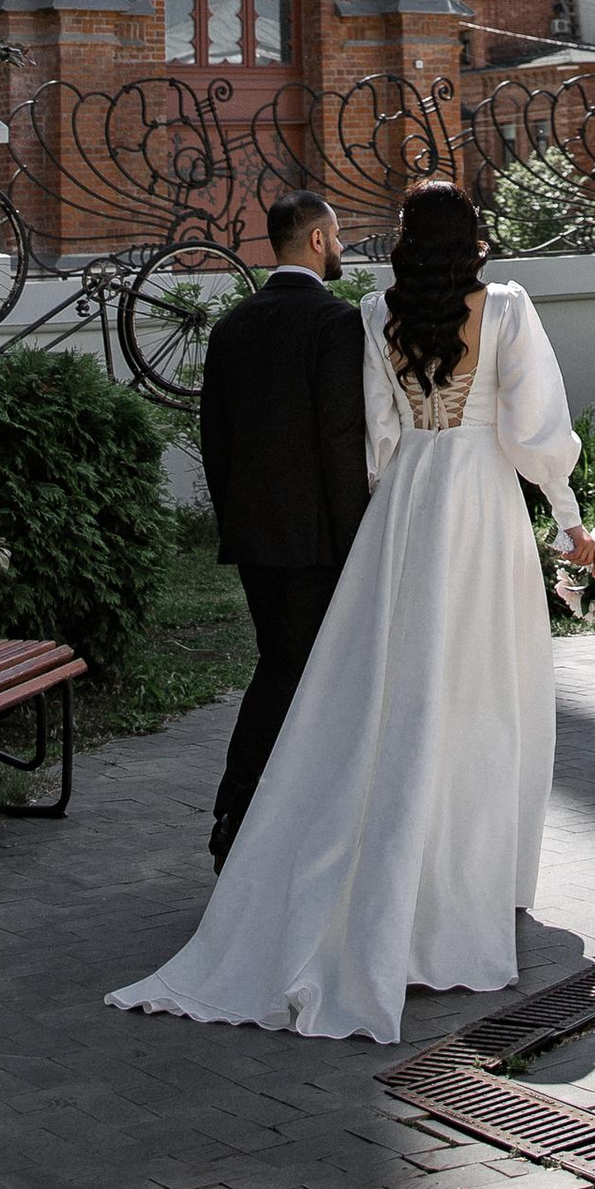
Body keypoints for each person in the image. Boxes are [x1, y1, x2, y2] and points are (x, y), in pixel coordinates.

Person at [110, 182, 595, 1044]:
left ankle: (384, 885)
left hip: (407, 507)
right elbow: (533, 431)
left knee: (396, 695)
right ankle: (465, 890)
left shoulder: (375, 312)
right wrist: (568, 519)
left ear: (409, 240)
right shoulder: (511, 309)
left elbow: (375, 435)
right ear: (475, 238)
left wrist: (389, 502)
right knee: (484, 693)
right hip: (482, 508)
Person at [197, 187, 368, 872]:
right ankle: (236, 810)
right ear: (318, 240)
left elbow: (215, 439)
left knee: (284, 663)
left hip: (255, 537)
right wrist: (359, 538)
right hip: (318, 541)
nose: (344, 245)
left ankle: (279, 815)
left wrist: (235, 516)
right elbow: (339, 439)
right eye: (340, 234)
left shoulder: (231, 325)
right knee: (290, 671)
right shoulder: (336, 323)